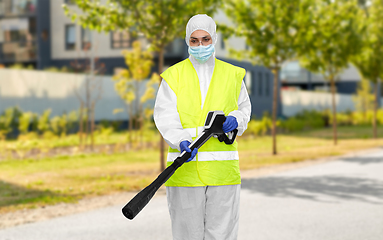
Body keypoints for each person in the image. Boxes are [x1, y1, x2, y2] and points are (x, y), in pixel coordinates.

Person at [153, 14, 251, 240]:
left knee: (222, 234)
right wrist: (180, 141)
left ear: (214, 39)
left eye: (205, 39)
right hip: (185, 168)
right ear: (187, 41)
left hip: (222, 172)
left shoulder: (233, 75)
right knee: (187, 235)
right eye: (194, 41)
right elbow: (165, 115)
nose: (200, 45)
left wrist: (236, 119)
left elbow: (244, 108)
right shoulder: (173, 75)